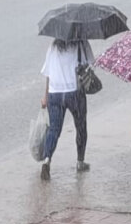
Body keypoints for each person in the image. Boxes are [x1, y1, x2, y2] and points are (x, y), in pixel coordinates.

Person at [39, 38, 93, 180]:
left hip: (54, 93)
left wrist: (45, 97)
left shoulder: (53, 46)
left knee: (54, 129)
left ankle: (47, 160)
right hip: (74, 92)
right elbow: (90, 66)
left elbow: (48, 74)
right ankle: (80, 162)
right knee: (81, 126)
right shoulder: (82, 43)